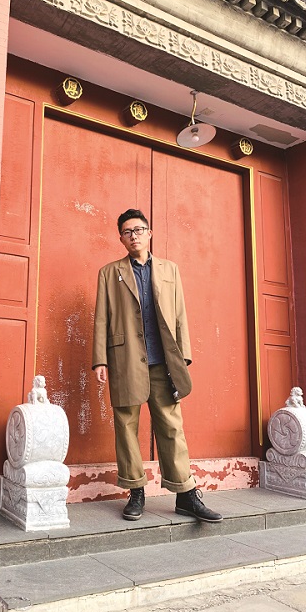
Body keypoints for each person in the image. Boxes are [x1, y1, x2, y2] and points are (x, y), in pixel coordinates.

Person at [92, 208, 222, 523]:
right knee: (126, 426)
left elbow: (179, 314)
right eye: (127, 231)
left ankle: (186, 495)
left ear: (149, 233)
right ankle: (135, 491)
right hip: (125, 360)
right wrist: (100, 359)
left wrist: (183, 356)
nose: (133, 236)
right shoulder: (109, 273)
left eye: (138, 230)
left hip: (163, 361)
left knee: (172, 426)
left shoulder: (169, 270)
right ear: (121, 238)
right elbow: (101, 318)